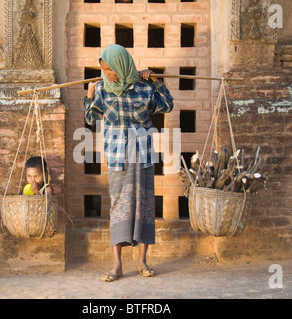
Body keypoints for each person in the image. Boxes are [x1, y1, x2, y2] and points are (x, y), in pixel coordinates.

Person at [84, 44, 173, 282]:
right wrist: (89, 96)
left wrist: (156, 81)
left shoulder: (144, 88)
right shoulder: (102, 88)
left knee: (144, 204)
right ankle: (117, 265)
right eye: (103, 69)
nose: (107, 74)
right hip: (116, 154)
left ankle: (142, 261)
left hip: (142, 152)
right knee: (118, 206)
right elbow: (91, 118)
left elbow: (167, 105)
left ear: (123, 66)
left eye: (111, 69)